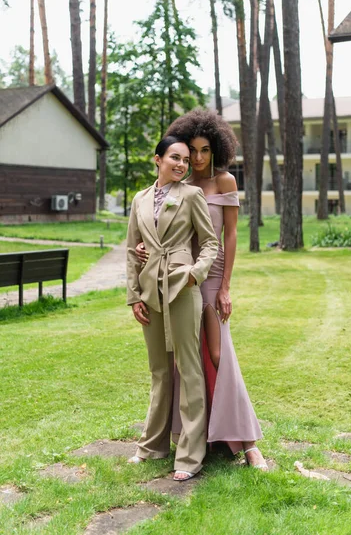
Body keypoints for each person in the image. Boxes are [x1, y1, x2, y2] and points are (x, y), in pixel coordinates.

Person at [137, 109, 268, 470]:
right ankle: (199, 438)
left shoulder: (225, 183)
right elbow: (161, 227)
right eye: (190, 150)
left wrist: (225, 287)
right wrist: (147, 250)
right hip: (176, 278)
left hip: (210, 277)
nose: (196, 158)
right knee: (183, 362)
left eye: (204, 150)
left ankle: (248, 442)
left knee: (218, 354)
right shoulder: (178, 184)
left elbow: (229, 234)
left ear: (216, 150)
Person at [126, 136, 219, 481]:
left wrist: (195, 274)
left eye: (185, 159)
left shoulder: (191, 195)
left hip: (182, 287)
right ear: (158, 160)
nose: (182, 164)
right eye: (175, 158)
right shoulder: (140, 199)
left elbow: (210, 242)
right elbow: (131, 249)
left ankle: (190, 456)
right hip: (150, 289)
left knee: (188, 368)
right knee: (159, 371)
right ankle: (152, 446)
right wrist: (134, 295)